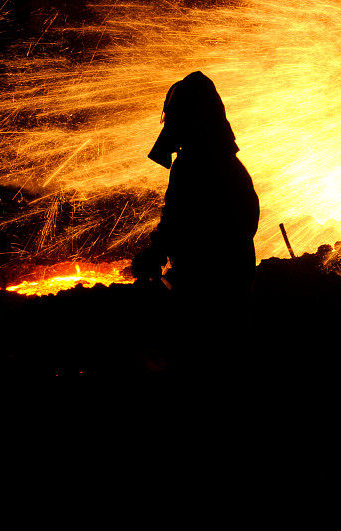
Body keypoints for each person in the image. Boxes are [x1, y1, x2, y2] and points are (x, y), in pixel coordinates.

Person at [132, 71, 260, 372]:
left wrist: (156, 253)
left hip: (205, 290)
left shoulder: (194, 166)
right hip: (233, 283)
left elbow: (180, 218)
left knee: (199, 363)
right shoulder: (230, 165)